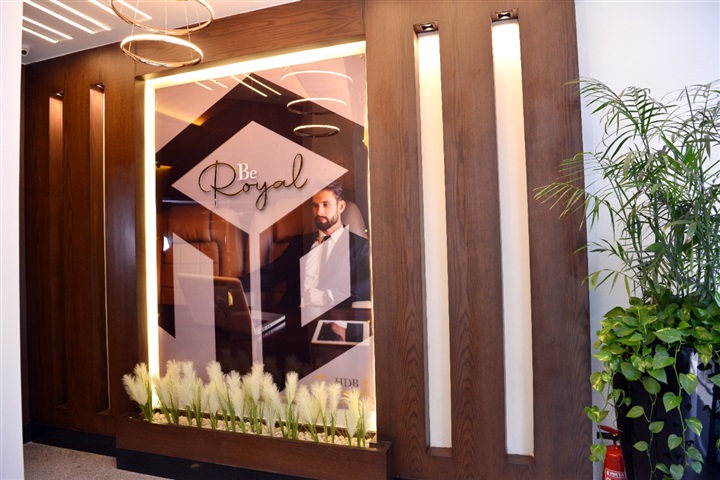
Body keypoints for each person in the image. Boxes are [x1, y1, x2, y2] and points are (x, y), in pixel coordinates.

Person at [259, 181, 370, 310]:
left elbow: (370, 284)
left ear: (341, 206)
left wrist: (327, 297)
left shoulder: (361, 247)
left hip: (331, 318)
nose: (319, 212)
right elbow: (271, 274)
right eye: (315, 205)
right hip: (292, 316)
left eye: (326, 205)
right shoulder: (299, 243)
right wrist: (238, 284)